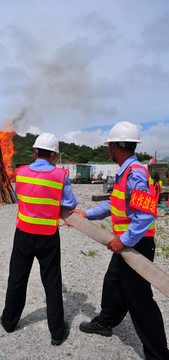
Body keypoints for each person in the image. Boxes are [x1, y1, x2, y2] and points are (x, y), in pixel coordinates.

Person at [72, 122, 169, 360]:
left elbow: (145, 215)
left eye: (109, 146)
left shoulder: (135, 174)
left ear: (114, 147)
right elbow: (114, 204)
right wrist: (87, 214)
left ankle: (158, 355)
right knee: (113, 282)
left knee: (139, 299)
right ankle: (106, 322)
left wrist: (123, 240)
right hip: (127, 242)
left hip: (135, 244)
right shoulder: (126, 172)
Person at [0, 132, 77, 346]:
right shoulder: (61, 175)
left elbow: (17, 197)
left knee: (17, 279)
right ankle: (56, 333)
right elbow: (71, 203)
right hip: (48, 237)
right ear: (53, 155)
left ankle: (9, 322)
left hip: (23, 233)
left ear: (34, 153)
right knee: (52, 283)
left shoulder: (21, 172)